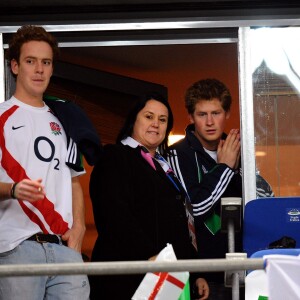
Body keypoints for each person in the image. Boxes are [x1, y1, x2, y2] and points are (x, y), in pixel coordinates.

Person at [0, 25, 95, 299]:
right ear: (15, 66)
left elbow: (74, 180)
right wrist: (13, 190)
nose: (39, 70)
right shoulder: (3, 117)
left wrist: (78, 230)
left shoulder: (65, 119)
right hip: (16, 247)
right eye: (31, 61)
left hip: (65, 248)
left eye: (46, 62)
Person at [89, 93, 209, 299]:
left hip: (169, 280)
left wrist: (194, 271)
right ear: (133, 120)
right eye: (149, 117)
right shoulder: (116, 156)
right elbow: (113, 215)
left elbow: (180, 224)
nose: (156, 124)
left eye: (162, 120)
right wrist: (148, 256)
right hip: (129, 278)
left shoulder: (165, 168)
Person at [167, 78, 243, 299]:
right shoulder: (177, 155)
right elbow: (195, 210)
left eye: (216, 113)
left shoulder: (242, 150)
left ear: (227, 113)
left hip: (244, 269)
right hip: (205, 278)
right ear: (191, 117)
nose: (210, 122)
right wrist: (225, 168)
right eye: (202, 114)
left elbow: (260, 202)